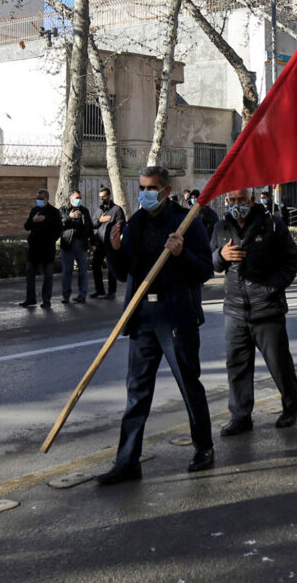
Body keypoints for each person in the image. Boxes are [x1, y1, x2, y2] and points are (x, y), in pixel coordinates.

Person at [97, 166, 214, 484]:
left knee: (189, 385)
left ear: (165, 190)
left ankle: (203, 447)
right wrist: (115, 249)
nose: (146, 193)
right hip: (143, 318)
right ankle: (127, 461)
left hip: (176, 317)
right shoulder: (135, 223)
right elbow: (124, 274)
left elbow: (205, 269)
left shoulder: (186, 221)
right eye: (142, 187)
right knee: (136, 392)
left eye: (152, 188)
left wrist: (180, 254)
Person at [212, 187, 297, 435]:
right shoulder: (221, 227)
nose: (236, 204)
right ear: (226, 200)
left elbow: (291, 259)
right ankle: (240, 416)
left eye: (242, 199)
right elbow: (213, 262)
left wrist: (272, 287)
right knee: (237, 367)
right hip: (234, 310)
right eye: (232, 199)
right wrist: (221, 255)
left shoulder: (271, 224)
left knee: (279, 364)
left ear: (252, 200)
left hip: (267, 309)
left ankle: (291, 406)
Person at [21, 189, 62, 309]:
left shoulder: (54, 212)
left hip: (47, 249)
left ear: (47, 199)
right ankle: (30, 298)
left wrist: (49, 240)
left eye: (41, 199)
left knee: (48, 276)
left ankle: (46, 299)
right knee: (29, 273)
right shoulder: (34, 211)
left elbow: (58, 230)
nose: (39, 201)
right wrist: (33, 220)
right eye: (37, 198)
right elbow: (27, 227)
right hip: (34, 249)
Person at [59, 190, 94, 303]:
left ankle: (82, 295)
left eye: (80, 197)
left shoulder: (84, 211)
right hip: (68, 243)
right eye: (76, 197)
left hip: (81, 243)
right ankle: (66, 295)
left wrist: (92, 243)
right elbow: (60, 224)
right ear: (70, 198)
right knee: (67, 271)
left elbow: (89, 228)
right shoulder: (63, 210)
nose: (78, 200)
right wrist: (69, 217)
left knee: (83, 271)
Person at [91, 187, 125, 299]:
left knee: (111, 268)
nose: (102, 199)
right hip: (100, 242)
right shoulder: (98, 210)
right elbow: (94, 225)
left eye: (104, 196)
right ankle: (99, 290)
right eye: (100, 197)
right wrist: (100, 220)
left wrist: (116, 229)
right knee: (96, 266)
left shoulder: (117, 210)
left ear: (109, 196)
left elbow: (122, 225)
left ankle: (112, 292)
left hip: (110, 243)